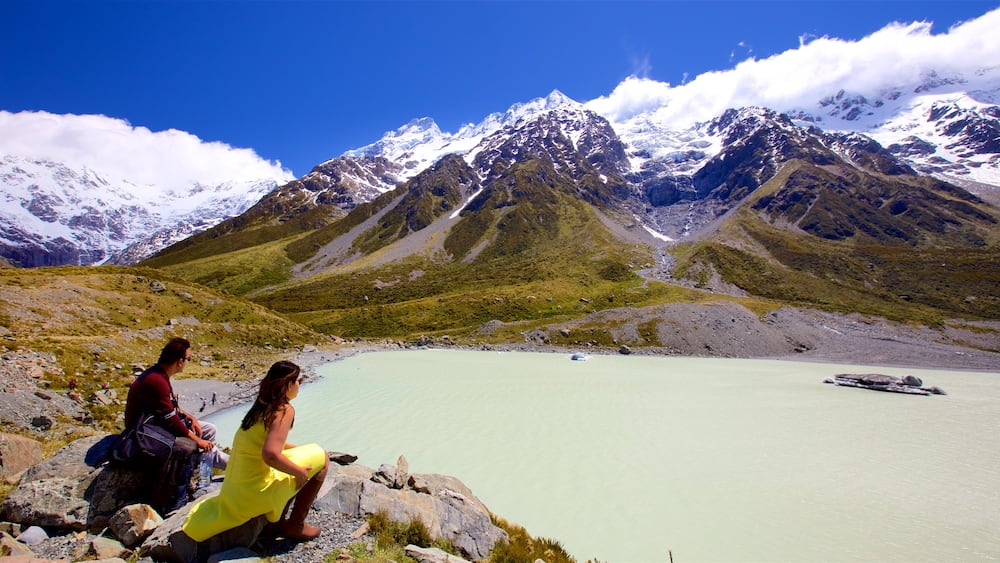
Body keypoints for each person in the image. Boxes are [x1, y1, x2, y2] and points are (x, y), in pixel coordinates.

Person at [182, 360, 329, 542]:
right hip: (254, 493)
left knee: (298, 456)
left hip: (235, 494)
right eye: (299, 380)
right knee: (322, 457)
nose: (300, 384)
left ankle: (276, 523)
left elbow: (262, 444)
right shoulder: (284, 410)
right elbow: (270, 454)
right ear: (288, 385)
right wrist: (299, 473)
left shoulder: (261, 405)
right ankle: (296, 524)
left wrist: (297, 451)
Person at [120, 337, 227, 512]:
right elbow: (170, 419)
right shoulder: (157, 381)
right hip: (146, 431)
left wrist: (191, 418)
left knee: (209, 429)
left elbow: (170, 409)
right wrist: (197, 440)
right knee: (198, 445)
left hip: (155, 424)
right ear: (179, 361)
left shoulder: (159, 375)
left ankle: (203, 475)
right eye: (188, 359)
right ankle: (209, 478)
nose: (187, 362)